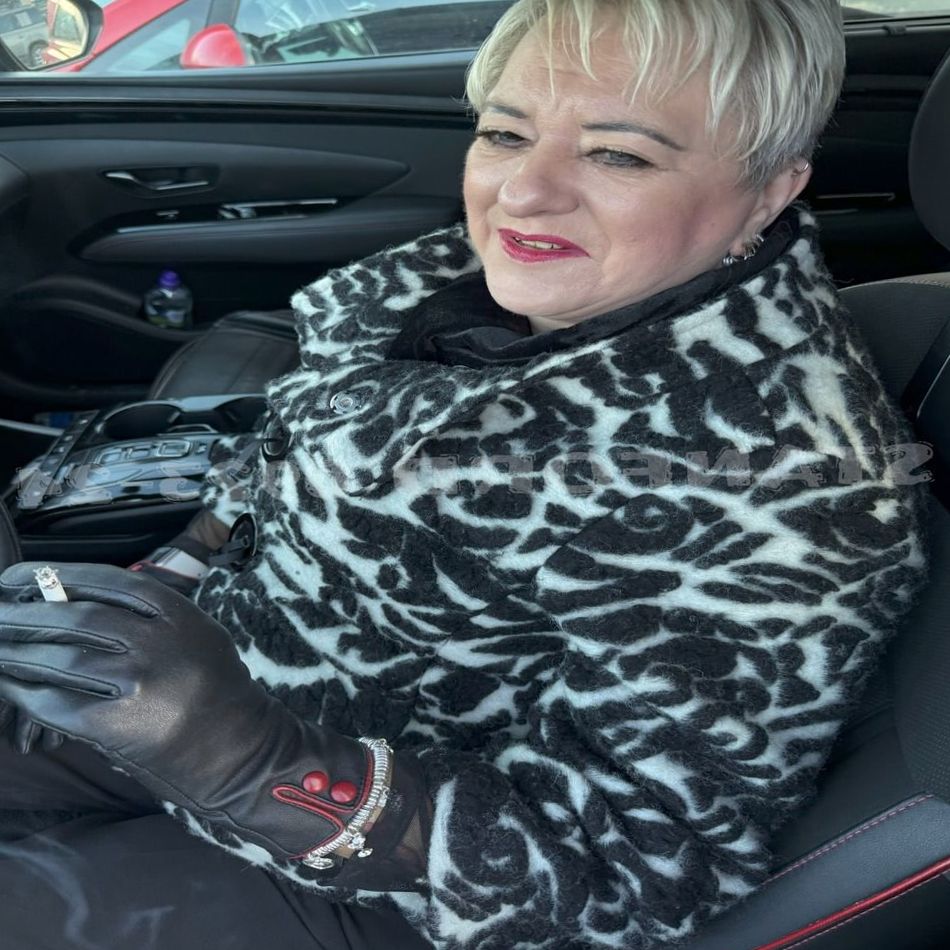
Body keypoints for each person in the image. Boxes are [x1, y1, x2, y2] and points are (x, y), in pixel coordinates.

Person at [0, 0, 928, 947]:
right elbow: (276, 473)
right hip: (205, 684)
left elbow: (631, 869)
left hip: (381, 869)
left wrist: (250, 759)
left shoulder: (785, 488)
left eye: (618, 155)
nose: (524, 192)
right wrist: (168, 584)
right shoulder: (448, 292)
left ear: (769, 192)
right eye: (506, 134)